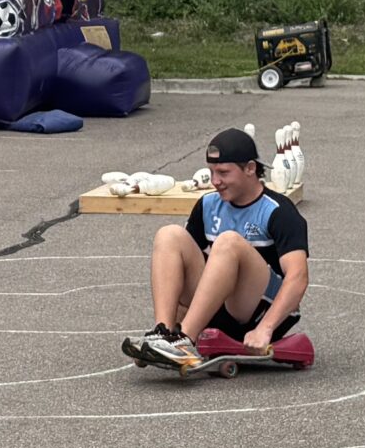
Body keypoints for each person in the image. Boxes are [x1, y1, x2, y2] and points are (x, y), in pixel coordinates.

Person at [122, 127, 310, 372]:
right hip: (216, 308)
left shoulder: (278, 210)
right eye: (211, 172)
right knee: (169, 235)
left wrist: (266, 328)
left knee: (228, 242)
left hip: (259, 315)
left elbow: (298, 277)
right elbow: (182, 267)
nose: (215, 181)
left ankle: (184, 341)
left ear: (250, 168)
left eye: (223, 172)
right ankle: (163, 335)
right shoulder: (208, 205)